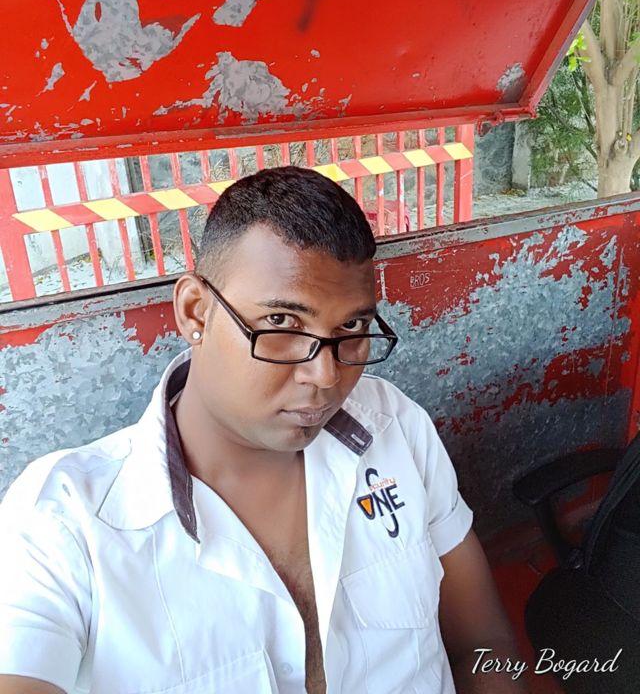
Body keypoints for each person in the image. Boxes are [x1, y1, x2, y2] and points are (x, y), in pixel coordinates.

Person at [0, 166, 525, 694]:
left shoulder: (395, 428)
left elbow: (483, 643)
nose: (325, 376)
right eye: (281, 323)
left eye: (351, 327)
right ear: (195, 312)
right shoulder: (63, 522)